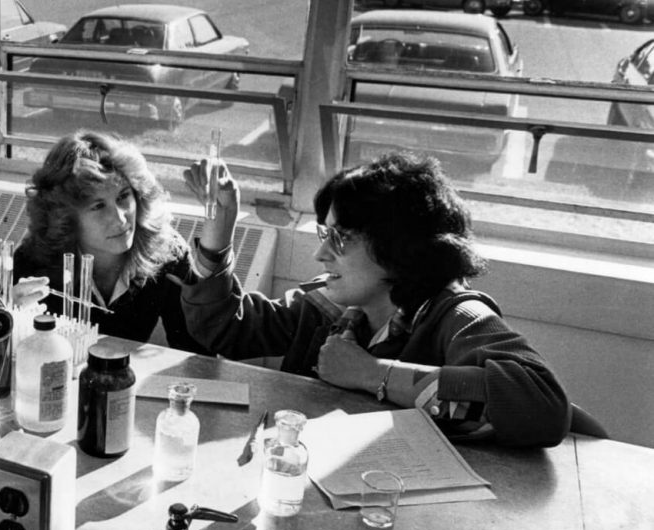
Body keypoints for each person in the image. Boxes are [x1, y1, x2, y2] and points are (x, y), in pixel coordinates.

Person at [184, 152, 571, 447]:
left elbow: (544, 406)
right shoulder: (333, 303)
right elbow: (225, 330)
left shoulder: (457, 314)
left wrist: (372, 374)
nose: (321, 256)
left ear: (397, 247)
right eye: (326, 235)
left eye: (341, 239)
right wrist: (218, 238)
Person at [12, 130, 235, 354]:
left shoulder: (168, 253)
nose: (120, 218)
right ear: (65, 217)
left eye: (123, 197)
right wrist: (9, 315)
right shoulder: (34, 259)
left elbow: (195, 353)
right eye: (98, 206)